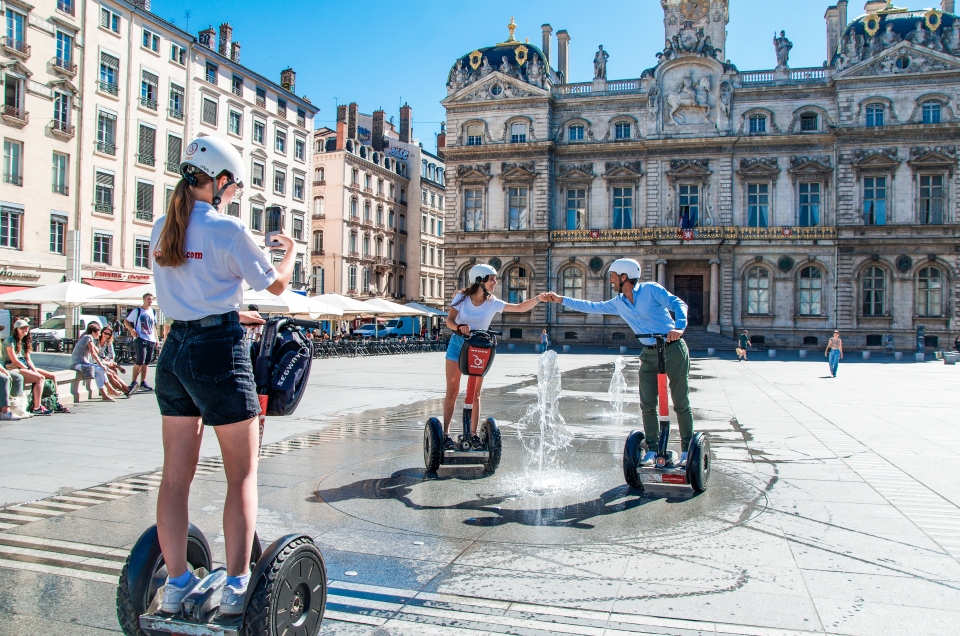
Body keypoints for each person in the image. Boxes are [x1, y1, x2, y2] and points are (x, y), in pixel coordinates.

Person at [152, 135, 296, 616]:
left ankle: (174, 585)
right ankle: (236, 586)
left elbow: (193, 291)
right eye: (232, 187)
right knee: (242, 475)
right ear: (220, 182)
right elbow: (276, 286)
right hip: (218, 351)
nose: (234, 194)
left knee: (175, 479)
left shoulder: (160, 229)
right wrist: (290, 252)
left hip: (174, 352)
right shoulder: (229, 230)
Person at [542, 258, 694, 464]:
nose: (610, 281)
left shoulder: (651, 290)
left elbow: (678, 303)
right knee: (647, 403)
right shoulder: (619, 303)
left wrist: (679, 327)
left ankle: (687, 451)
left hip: (673, 349)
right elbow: (592, 306)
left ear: (624, 277)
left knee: (681, 403)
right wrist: (562, 300)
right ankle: (652, 449)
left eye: (612, 276)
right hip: (649, 353)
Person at [443, 264, 546, 450]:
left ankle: (473, 435)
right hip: (458, 344)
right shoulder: (461, 298)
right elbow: (449, 321)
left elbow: (520, 307)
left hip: (478, 347)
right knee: (452, 391)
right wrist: (459, 327)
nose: (495, 282)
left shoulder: (492, 302)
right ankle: (445, 434)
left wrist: (539, 298)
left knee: (474, 394)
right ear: (479, 280)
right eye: (492, 279)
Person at [3, 319, 63, 415]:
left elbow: (28, 359)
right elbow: (14, 360)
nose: (25, 330)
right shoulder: (10, 341)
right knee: (40, 378)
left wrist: (34, 370)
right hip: (13, 367)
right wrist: (28, 370)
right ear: (16, 329)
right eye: (22, 328)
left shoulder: (24, 341)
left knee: (52, 376)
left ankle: (56, 402)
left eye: (26, 327)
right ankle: (36, 407)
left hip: (24, 366)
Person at [70, 322, 115, 402]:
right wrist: (101, 364)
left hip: (82, 363)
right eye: (98, 332)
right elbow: (93, 353)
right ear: (93, 332)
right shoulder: (88, 337)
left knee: (98, 372)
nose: (100, 334)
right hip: (77, 363)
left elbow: (96, 351)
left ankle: (104, 395)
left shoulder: (89, 338)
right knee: (101, 369)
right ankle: (109, 388)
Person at [124, 293, 158, 395]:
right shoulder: (138, 311)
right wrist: (132, 329)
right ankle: (134, 381)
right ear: (144, 299)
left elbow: (154, 327)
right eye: (148, 299)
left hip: (150, 339)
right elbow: (126, 321)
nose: (150, 301)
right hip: (141, 338)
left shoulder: (153, 311)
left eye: (151, 299)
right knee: (140, 360)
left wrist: (156, 339)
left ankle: (143, 382)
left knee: (147, 362)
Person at [97, 326, 131, 396]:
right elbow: (94, 355)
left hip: (103, 360)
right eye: (105, 333)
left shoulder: (108, 341)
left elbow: (112, 354)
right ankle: (127, 390)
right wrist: (106, 360)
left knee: (113, 371)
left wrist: (108, 359)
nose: (106, 335)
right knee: (111, 374)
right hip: (97, 361)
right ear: (101, 333)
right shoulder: (96, 341)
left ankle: (127, 389)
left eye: (108, 334)